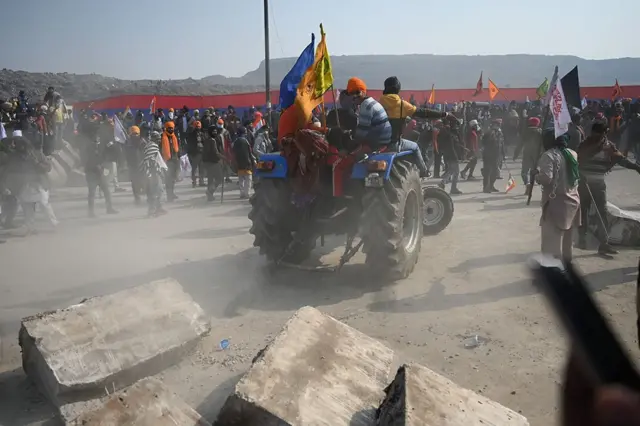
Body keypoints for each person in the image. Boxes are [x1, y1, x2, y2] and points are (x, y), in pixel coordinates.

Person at [577, 121, 640, 256]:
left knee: (602, 212)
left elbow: (620, 159)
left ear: (604, 133)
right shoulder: (584, 145)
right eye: (596, 133)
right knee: (584, 210)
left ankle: (604, 243)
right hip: (584, 183)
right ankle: (582, 239)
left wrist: (635, 167)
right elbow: (575, 162)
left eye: (600, 133)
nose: (597, 135)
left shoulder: (608, 146)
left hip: (598, 184)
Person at [376, 76, 447, 177]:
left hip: (378, 145)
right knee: (415, 146)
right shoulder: (402, 105)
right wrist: (443, 114)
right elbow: (423, 112)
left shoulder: (378, 103)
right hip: (393, 144)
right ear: (398, 89)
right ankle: (424, 171)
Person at [534, 131, 581, 260]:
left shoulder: (548, 155)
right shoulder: (573, 154)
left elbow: (546, 179)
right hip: (573, 202)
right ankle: (567, 268)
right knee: (567, 242)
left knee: (551, 243)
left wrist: (536, 175)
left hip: (555, 204)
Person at [82, 118, 118, 217]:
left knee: (106, 191)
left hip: (100, 172)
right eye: (96, 136)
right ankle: (91, 212)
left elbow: (103, 156)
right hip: (91, 173)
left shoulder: (98, 145)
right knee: (92, 193)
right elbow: (87, 159)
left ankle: (109, 208)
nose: (98, 137)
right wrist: (97, 166)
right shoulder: (89, 146)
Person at [140, 131, 167, 217]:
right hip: (152, 172)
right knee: (155, 191)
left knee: (157, 190)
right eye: (158, 138)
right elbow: (151, 160)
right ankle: (152, 211)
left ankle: (158, 208)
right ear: (154, 138)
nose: (159, 140)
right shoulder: (152, 146)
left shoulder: (150, 145)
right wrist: (155, 172)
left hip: (151, 172)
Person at [437, 116, 463, 194]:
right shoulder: (448, 131)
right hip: (451, 153)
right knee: (456, 171)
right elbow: (453, 143)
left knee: (451, 170)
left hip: (446, 153)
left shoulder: (442, 131)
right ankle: (451, 187)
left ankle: (444, 182)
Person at [519, 117, 543, 193]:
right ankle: (533, 184)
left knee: (524, 172)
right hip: (537, 154)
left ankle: (527, 184)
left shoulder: (525, 131)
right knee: (533, 171)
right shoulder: (540, 132)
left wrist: (516, 154)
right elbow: (543, 144)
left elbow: (520, 143)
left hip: (527, 153)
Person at [202, 125, 224, 201]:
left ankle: (210, 196)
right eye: (213, 131)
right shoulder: (212, 140)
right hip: (213, 162)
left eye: (215, 131)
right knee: (219, 178)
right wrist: (223, 157)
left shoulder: (207, 140)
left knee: (210, 179)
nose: (215, 132)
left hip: (207, 162)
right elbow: (215, 152)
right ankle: (210, 191)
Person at [232, 126, 255, 199]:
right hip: (246, 163)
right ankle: (247, 193)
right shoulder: (245, 141)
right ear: (243, 133)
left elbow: (233, 153)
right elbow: (249, 152)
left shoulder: (235, 142)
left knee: (241, 179)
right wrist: (253, 160)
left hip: (238, 163)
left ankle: (242, 193)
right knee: (248, 179)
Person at [161, 121, 180, 201]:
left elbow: (177, 148)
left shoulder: (174, 137)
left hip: (175, 159)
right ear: (166, 128)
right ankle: (169, 195)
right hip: (167, 161)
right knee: (168, 178)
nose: (171, 129)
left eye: (172, 128)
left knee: (173, 178)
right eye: (169, 128)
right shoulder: (162, 137)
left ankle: (172, 193)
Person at [125, 126, 145, 204]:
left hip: (141, 164)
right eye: (133, 133)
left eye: (136, 133)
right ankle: (137, 198)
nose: (135, 135)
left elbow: (146, 151)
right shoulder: (127, 142)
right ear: (130, 134)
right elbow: (125, 153)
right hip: (132, 165)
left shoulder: (142, 141)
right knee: (134, 182)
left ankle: (147, 198)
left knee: (143, 180)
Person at [482, 119, 503, 193]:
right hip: (488, 154)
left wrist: (502, 154)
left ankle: (491, 185)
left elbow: (501, 144)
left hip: (496, 155)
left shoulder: (499, 133)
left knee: (495, 171)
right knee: (487, 171)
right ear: (494, 125)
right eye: (498, 124)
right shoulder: (489, 132)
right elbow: (484, 142)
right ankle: (486, 187)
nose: (499, 126)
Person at [186, 120, 205, 187]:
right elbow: (189, 144)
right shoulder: (191, 134)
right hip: (195, 153)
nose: (198, 127)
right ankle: (194, 182)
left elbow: (204, 142)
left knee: (201, 168)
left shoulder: (202, 134)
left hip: (202, 152)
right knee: (194, 168)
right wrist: (190, 153)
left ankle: (201, 182)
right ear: (194, 126)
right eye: (196, 126)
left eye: (199, 126)